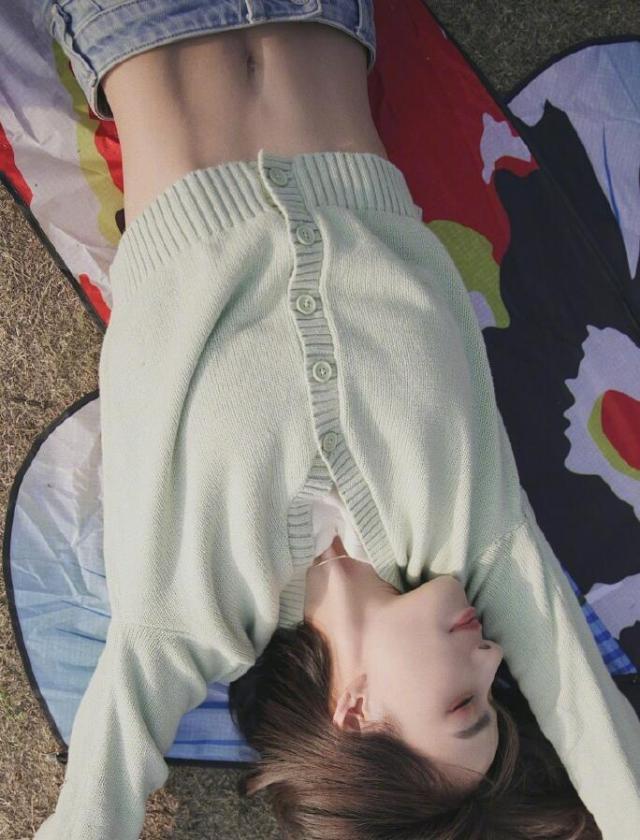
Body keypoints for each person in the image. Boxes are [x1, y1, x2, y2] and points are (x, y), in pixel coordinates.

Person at [33, 2, 640, 838]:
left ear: (356, 713)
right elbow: (584, 708)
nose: (496, 657)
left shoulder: (188, 613)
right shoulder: (474, 535)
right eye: (496, 692)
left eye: (464, 705)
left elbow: (92, 813)